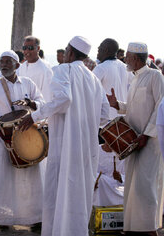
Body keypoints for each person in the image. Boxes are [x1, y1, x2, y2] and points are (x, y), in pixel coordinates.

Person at [18, 36, 110, 236]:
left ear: (70, 52)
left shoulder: (62, 70)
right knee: (79, 193)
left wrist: (35, 115)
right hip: (87, 147)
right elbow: (104, 113)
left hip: (66, 144)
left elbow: (64, 99)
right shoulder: (93, 78)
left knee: (61, 190)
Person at [0, 50, 45, 227]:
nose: (3, 64)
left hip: (27, 136)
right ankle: (3, 219)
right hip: (2, 139)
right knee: (2, 178)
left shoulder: (27, 83)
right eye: (2, 61)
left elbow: (42, 103)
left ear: (17, 65)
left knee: (31, 177)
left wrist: (31, 104)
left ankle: (35, 218)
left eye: (8, 61)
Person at [107, 42, 164, 236]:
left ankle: (150, 230)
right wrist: (118, 105)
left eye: (128, 57)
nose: (126, 60)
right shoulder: (135, 78)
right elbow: (134, 108)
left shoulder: (155, 76)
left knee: (145, 187)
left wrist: (147, 134)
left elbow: (160, 108)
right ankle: (133, 228)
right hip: (134, 140)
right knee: (132, 186)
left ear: (137, 59)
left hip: (149, 141)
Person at [93, 38, 131, 120]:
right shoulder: (126, 68)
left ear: (106, 50)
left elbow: (89, 90)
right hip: (123, 119)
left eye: (100, 47)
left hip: (106, 121)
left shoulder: (101, 68)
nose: (98, 49)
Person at [17, 36, 53, 102]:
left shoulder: (45, 69)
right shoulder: (22, 67)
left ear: (38, 48)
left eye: (30, 48)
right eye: (24, 48)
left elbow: (47, 97)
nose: (27, 51)